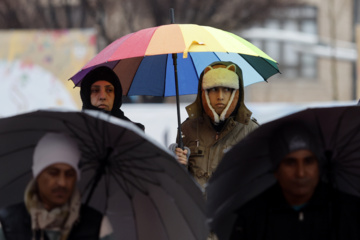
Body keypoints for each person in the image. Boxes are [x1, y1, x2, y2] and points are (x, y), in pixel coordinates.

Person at [230, 123, 360, 240]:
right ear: (276, 170)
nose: (300, 173)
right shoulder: (252, 218)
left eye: (308, 161)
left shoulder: (348, 213)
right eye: (290, 163)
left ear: (318, 166)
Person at [0, 133, 113, 240]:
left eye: (69, 174)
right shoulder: (7, 224)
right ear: (37, 175)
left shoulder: (98, 226)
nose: (62, 183)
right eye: (53, 173)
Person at [173, 61, 259, 188]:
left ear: (236, 93)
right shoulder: (187, 129)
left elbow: (259, 182)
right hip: (197, 206)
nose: (220, 96)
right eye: (213, 89)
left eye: (227, 89)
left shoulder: (251, 131)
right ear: (204, 92)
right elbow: (178, 186)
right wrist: (178, 166)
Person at [80, 66, 144, 131]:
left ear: (116, 95)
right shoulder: (75, 129)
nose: (102, 97)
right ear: (87, 96)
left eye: (109, 90)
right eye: (95, 90)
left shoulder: (134, 131)